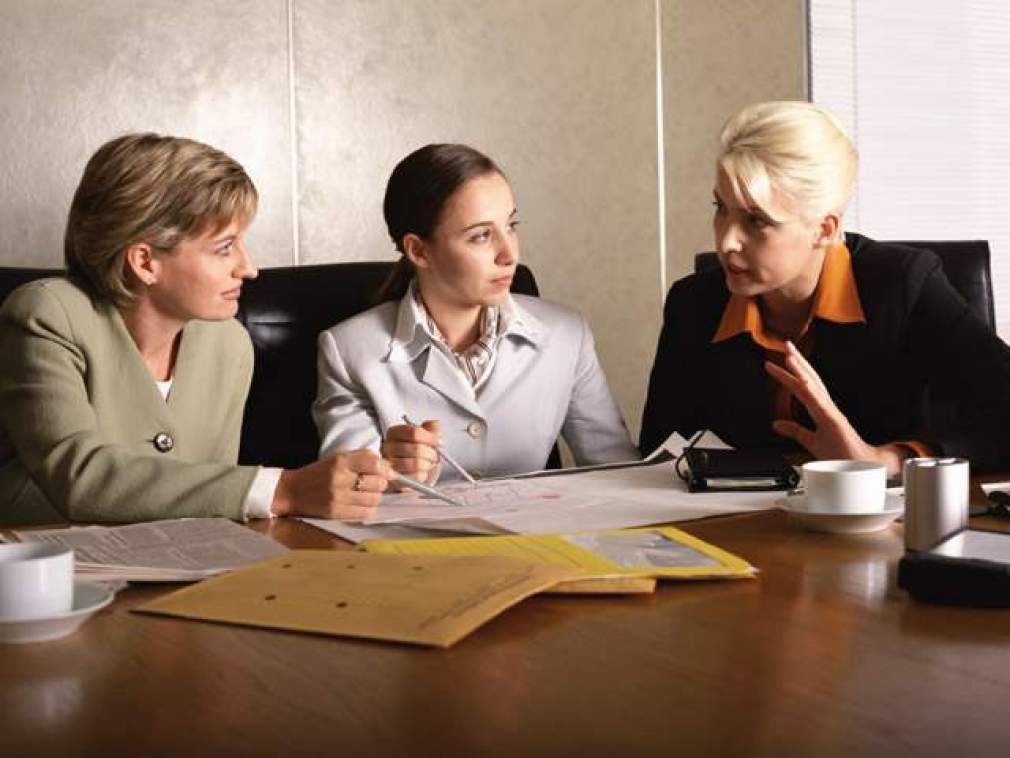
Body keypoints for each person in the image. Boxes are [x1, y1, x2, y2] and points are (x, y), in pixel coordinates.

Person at [0, 133, 392, 524]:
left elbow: (206, 503)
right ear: (145, 262)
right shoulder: (48, 314)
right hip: (40, 554)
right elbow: (80, 477)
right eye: (224, 247)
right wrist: (284, 490)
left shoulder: (228, 343)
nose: (249, 268)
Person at [640, 101, 1010, 476]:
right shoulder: (692, 304)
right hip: (735, 513)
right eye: (721, 208)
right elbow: (659, 453)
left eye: (756, 221)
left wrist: (886, 460)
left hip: (881, 512)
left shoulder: (904, 286)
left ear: (824, 229)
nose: (726, 242)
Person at [313, 143, 637, 483]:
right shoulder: (348, 350)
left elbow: (619, 473)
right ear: (419, 251)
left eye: (511, 225)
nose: (509, 254)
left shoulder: (567, 333)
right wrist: (393, 473)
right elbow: (348, 489)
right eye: (481, 236)